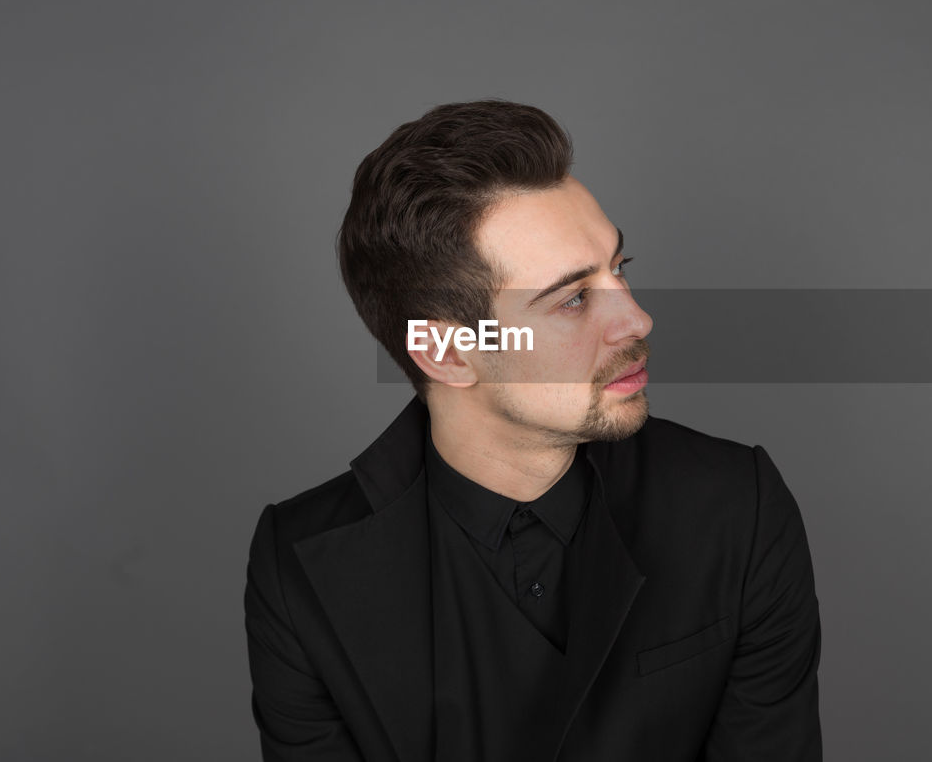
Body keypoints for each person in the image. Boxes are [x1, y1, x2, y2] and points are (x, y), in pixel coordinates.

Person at [243, 100, 822, 761]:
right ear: (449, 354)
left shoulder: (735, 509)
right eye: (573, 299)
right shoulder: (300, 567)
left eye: (619, 268)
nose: (636, 320)